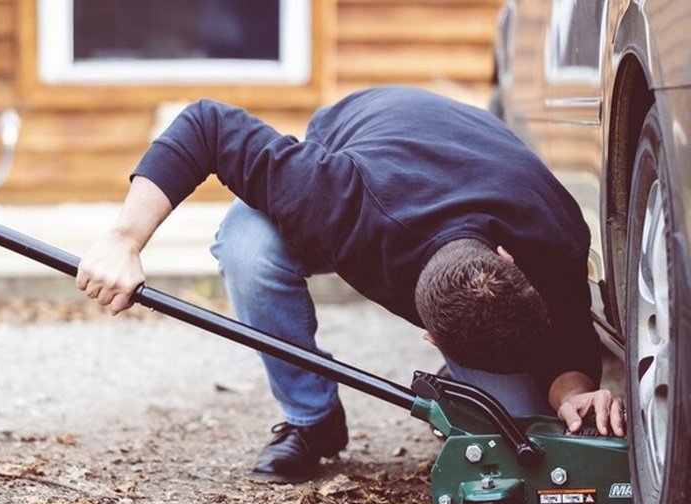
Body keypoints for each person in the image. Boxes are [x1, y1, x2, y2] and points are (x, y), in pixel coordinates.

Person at [76, 86, 626, 483]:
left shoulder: (551, 233)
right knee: (248, 247)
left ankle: (464, 388)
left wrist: (574, 396)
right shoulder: (337, 198)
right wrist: (125, 237)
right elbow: (205, 123)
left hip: (469, 140)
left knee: (522, 423)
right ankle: (311, 421)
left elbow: (568, 336)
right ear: (429, 336)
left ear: (511, 263)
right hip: (364, 130)